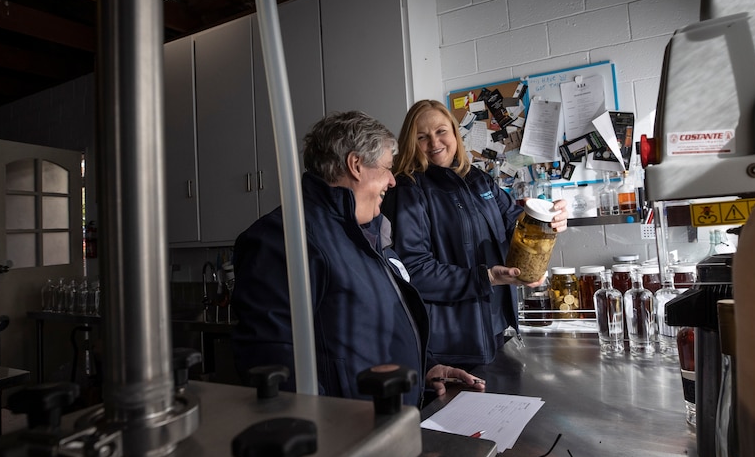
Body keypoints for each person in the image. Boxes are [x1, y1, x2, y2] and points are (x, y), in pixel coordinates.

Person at [230, 111, 485, 406]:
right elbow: (273, 362)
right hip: (349, 434)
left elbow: (376, 322)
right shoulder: (284, 238)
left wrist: (426, 367)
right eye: (388, 168)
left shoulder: (366, 231)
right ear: (356, 165)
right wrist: (332, 430)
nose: (392, 181)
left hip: (388, 419)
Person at [383, 99, 568, 369]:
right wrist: (487, 277)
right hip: (449, 344)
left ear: (455, 133)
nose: (434, 142)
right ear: (411, 143)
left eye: (441, 131)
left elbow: (514, 223)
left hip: (495, 329)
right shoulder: (409, 191)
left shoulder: (477, 180)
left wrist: (549, 216)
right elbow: (414, 271)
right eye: (422, 136)